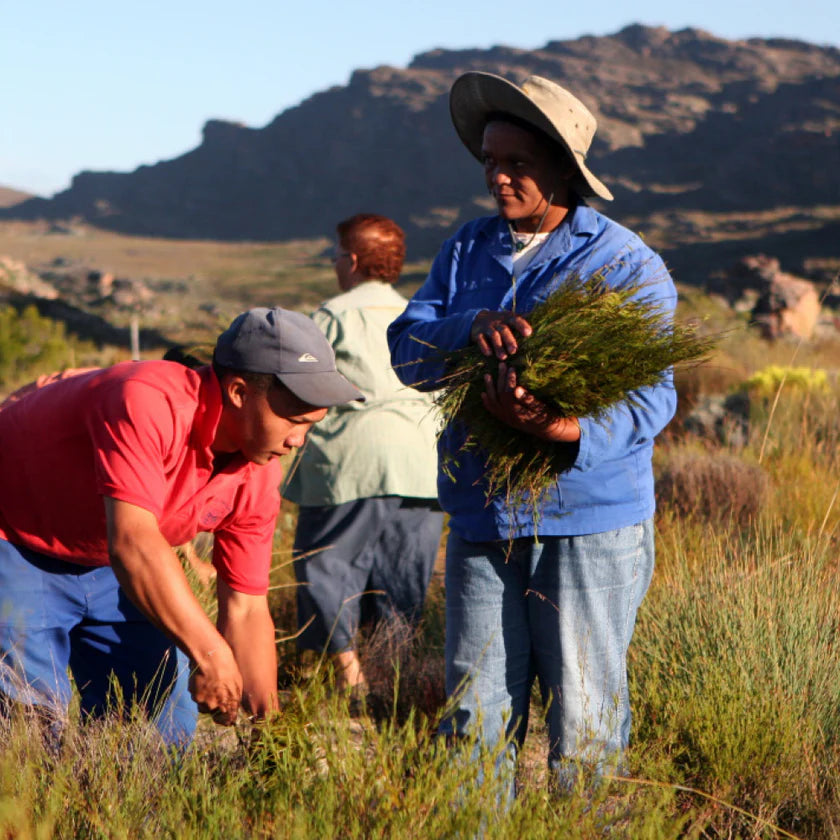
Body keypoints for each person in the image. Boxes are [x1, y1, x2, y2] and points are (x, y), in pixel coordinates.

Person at [387, 72, 677, 791]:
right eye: (489, 160)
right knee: (473, 722)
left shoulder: (622, 263)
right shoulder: (466, 250)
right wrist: (467, 329)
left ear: (561, 168)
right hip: (483, 515)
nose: (498, 176)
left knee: (584, 726)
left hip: (588, 524)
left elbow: (653, 396)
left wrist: (558, 427)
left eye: (517, 163)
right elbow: (408, 347)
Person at [0, 307, 363, 745]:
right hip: (14, 536)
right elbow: (133, 544)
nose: (298, 440)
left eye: (311, 425)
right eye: (294, 419)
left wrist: (271, 732)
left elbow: (246, 608)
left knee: (162, 720)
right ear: (238, 391)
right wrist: (211, 654)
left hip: (106, 553)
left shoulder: (259, 468)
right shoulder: (147, 400)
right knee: (30, 725)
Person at [284, 214, 443, 694]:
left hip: (351, 459)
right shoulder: (421, 311)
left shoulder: (333, 314)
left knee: (327, 561)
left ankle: (349, 675)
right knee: (404, 573)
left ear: (351, 261)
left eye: (337, 254)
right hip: (420, 460)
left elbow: (304, 384)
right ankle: (396, 679)